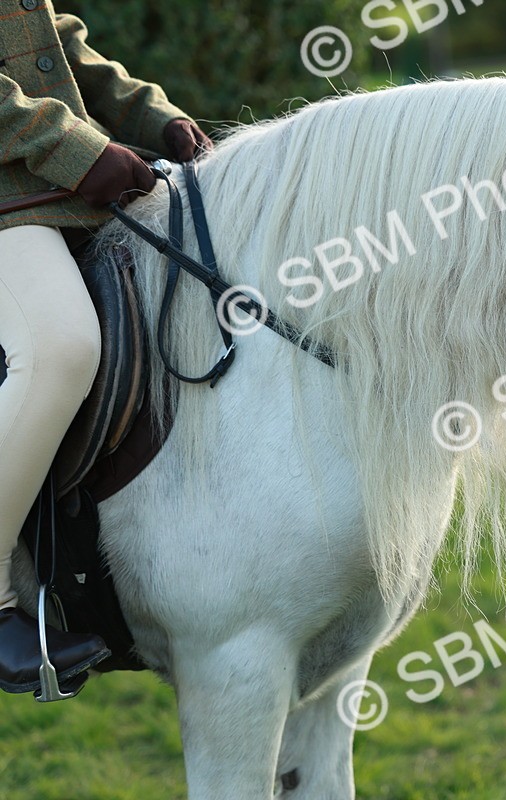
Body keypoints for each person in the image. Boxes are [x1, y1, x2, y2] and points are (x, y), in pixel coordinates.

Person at [0, 4, 210, 695]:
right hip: (12, 195)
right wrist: (83, 152)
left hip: (49, 186)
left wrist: (155, 117)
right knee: (62, 344)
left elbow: (53, 47)